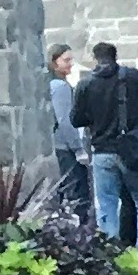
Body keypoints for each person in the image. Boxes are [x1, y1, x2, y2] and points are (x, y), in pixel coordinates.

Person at [70, 43, 138, 250]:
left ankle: (110, 252)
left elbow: (76, 119)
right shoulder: (134, 77)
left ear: (95, 57)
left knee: (107, 204)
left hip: (102, 150)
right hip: (133, 149)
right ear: (115, 56)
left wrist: (96, 119)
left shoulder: (85, 84)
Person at [44, 47, 89, 219]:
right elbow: (65, 120)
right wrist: (78, 148)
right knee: (77, 196)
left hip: (59, 145)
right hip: (66, 147)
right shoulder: (60, 86)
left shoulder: (51, 84)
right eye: (66, 60)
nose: (70, 64)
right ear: (55, 62)